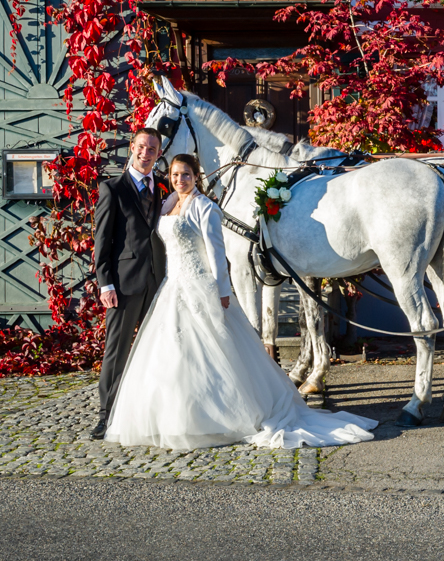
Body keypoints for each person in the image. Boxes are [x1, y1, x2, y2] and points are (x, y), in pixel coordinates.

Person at [105, 153, 377, 450]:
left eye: (185, 174)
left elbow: (217, 254)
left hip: (199, 285)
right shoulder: (168, 203)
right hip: (173, 287)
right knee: (170, 355)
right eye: (174, 175)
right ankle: (171, 417)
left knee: (214, 353)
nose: (179, 180)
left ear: (196, 176)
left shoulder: (205, 207)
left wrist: (223, 293)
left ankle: (221, 418)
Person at [91, 127, 167, 440]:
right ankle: (106, 417)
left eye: (152, 149)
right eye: (141, 147)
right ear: (132, 149)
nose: (146, 153)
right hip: (124, 284)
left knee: (158, 351)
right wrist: (105, 283)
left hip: (159, 283)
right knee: (116, 352)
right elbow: (102, 241)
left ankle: (152, 413)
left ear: (159, 153)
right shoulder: (112, 189)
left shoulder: (163, 189)